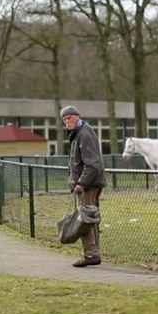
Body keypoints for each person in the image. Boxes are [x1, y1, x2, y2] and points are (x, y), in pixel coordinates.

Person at [60, 105, 106, 267]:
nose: (67, 121)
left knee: (84, 219)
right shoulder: (79, 133)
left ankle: (91, 255)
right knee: (90, 218)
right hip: (89, 183)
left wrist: (81, 183)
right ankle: (94, 252)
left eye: (69, 118)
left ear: (77, 116)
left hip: (88, 184)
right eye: (64, 119)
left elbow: (92, 163)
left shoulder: (84, 134)